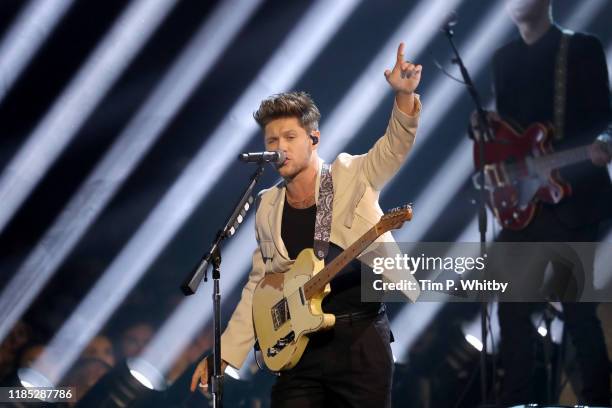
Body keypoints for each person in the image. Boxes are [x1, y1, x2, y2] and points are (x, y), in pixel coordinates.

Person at [190, 42, 422, 407]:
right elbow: (259, 287)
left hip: (359, 341)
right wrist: (224, 354)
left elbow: (392, 148)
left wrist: (405, 98)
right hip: (299, 349)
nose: (279, 146)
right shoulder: (268, 204)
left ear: (314, 139)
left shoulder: (349, 175)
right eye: (272, 140)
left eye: (289, 137)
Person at [474, 0, 612, 405]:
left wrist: (604, 142)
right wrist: (481, 128)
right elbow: (510, 134)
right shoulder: (504, 58)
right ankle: (515, 400)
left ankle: (598, 401)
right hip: (524, 203)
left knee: (578, 313)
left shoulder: (580, 48)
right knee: (511, 309)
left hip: (574, 200)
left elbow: (607, 116)